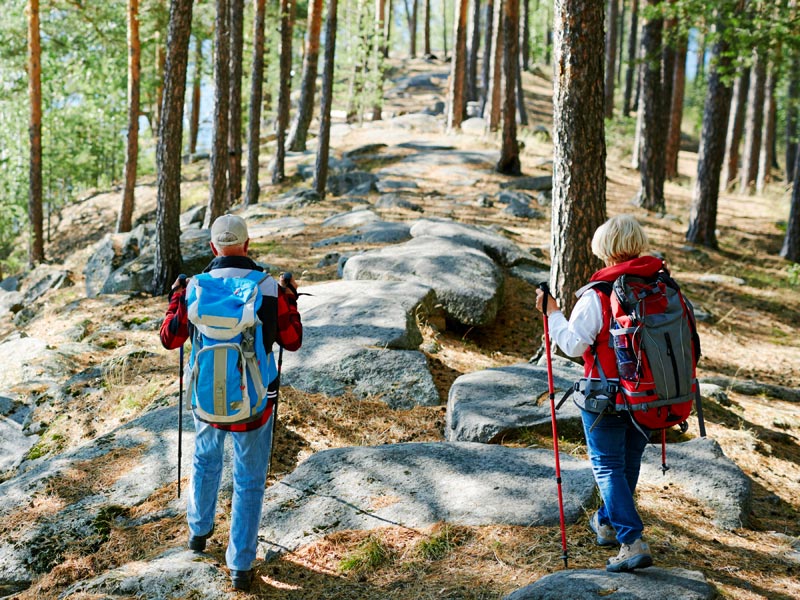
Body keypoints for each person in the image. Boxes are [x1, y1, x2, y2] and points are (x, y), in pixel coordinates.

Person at [159, 214, 302, 591]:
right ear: (247, 244)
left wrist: (176, 297)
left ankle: (198, 532)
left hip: (206, 397)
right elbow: (291, 340)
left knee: (205, 459)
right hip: (255, 401)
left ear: (212, 248)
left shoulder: (195, 286)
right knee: (249, 479)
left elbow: (170, 339)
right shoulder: (267, 287)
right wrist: (290, 298)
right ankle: (240, 565)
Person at [535, 214, 658, 573]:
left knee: (607, 466)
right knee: (628, 463)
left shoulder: (599, 294)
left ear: (604, 248)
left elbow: (574, 345)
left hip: (606, 396)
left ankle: (631, 540)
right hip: (649, 395)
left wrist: (552, 313)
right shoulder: (658, 287)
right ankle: (606, 521)